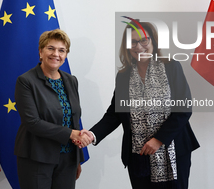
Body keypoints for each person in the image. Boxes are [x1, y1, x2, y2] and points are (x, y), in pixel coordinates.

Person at [81, 21, 200, 189]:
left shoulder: (171, 67)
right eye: (133, 42)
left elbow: (183, 109)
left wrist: (158, 140)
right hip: (139, 155)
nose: (139, 46)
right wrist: (92, 134)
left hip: (173, 149)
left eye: (144, 40)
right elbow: (115, 113)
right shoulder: (124, 76)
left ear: (154, 41)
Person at [14, 29, 92, 189]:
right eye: (51, 48)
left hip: (68, 158)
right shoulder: (26, 81)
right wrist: (71, 134)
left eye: (61, 50)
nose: (56, 54)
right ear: (40, 51)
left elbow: (74, 120)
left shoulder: (71, 80)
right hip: (36, 158)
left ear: (66, 55)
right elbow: (32, 122)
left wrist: (77, 159)